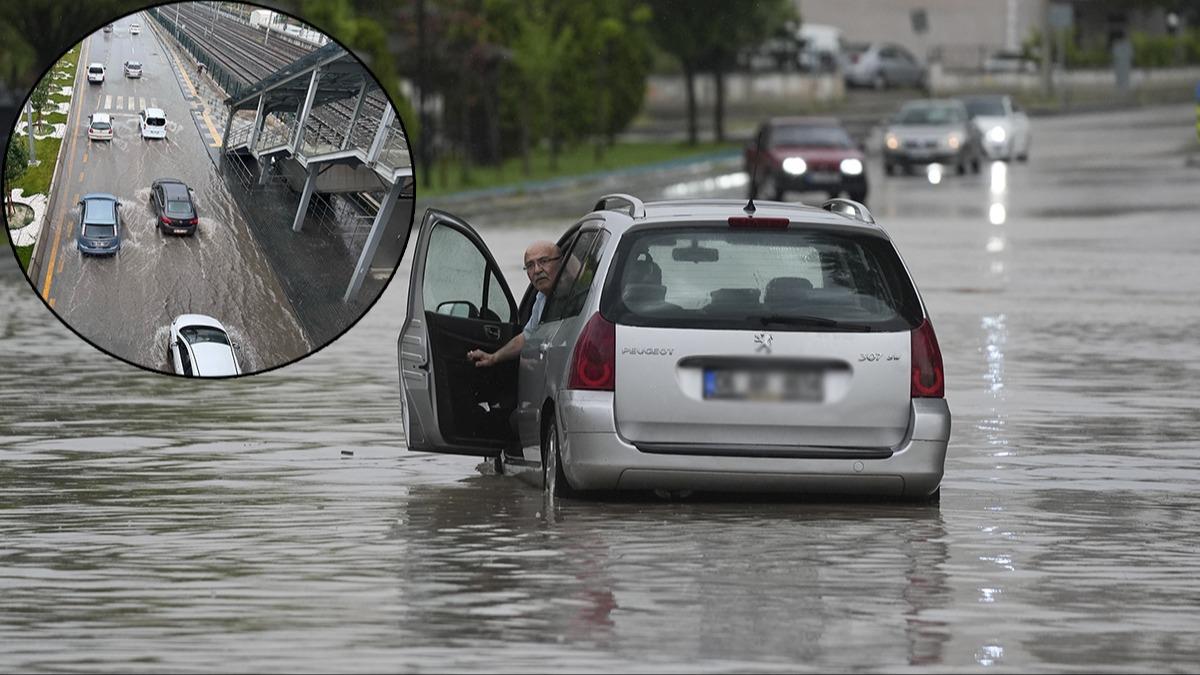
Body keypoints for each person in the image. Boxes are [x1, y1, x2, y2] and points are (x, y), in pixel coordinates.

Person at [466, 241, 561, 368]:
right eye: (530, 265)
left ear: (561, 262)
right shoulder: (541, 297)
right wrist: (493, 357)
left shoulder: (579, 294)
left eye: (543, 261)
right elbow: (525, 337)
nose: (537, 270)